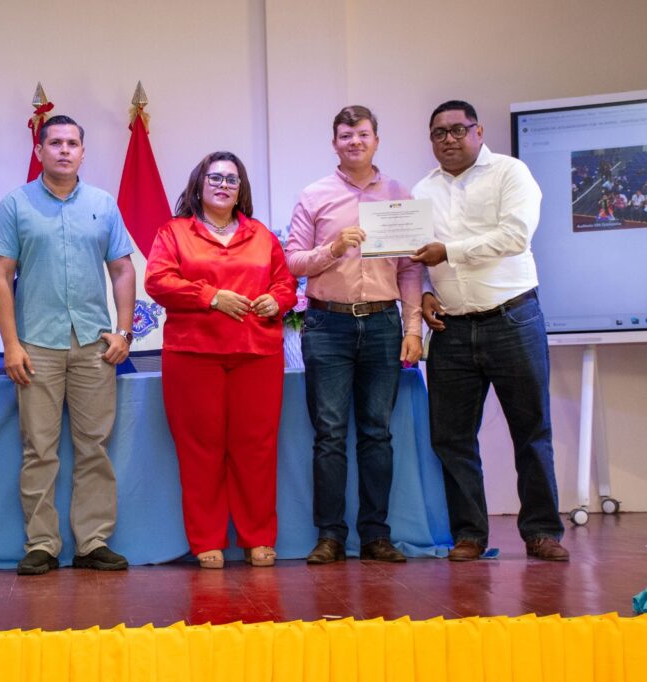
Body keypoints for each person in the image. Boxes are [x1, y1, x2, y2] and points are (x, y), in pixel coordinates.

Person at [411, 100, 568, 562]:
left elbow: (516, 235)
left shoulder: (510, 173)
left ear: (477, 131)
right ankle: (469, 535)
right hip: (452, 328)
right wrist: (422, 290)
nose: (449, 139)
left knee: (532, 431)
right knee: (452, 438)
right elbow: (417, 256)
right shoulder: (423, 190)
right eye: (439, 133)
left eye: (458, 130)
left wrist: (449, 252)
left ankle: (542, 532)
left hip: (512, 319)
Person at [0, 115, 136, 576]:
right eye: (55, 143)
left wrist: (124, 331)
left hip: (94, 344)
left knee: (94, 446)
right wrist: (10, 344)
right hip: (37, 346)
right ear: (40, 150)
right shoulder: (16, 204)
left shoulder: (102, 204)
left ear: (83, 152)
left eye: (73, 143)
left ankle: (92, 542)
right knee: (40, 449)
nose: (65, 150)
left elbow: (123, 270)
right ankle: (43, 544)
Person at [285, 106, 423, 565]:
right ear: (335, 143)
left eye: (363, 135)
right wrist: (333, 248)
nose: (355, 142)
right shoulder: (314, 195)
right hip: (328, 325)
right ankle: (329, 535)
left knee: (377, 434)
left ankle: (375, 535)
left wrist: (413, 328)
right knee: (329, 435)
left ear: (376, 140)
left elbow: (410, 270)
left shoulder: (399, 195)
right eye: (346, 135)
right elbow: (292, 263)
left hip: (384, 324)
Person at [145, 151, 296, 569]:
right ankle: (206, 539)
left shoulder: (262, 235)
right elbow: (158, 280)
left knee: (257, 449)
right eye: (216, 178)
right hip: (194, 355)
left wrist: (276, 300)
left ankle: (258, 537)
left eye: (232, 179)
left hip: (257, 355)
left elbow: (286, 283)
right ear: (199, 184)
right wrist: (211, 297)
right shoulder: (174, 232)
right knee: (200, 450)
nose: (224, 185)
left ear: (241, 189)